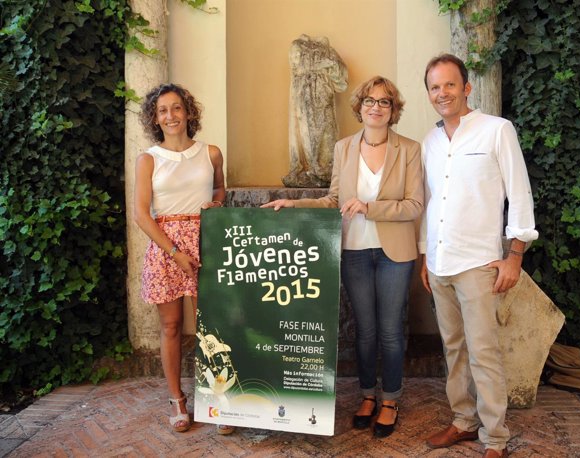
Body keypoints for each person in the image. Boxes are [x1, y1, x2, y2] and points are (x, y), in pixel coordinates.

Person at [262, 76, 424, 438]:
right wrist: (295, 203)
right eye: (369, 100)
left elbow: (414, 205)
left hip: (394, 252)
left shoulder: (410, 149)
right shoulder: (344, 148)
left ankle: (391, 399)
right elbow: (333, 200)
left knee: (390, 332)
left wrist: (370, 207)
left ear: (393, 110)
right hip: (352, 250)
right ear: (359, 107)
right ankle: (367, 395)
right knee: (365, 331)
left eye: (384, 102)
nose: (376, 107)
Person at [419, 54, 538, 458]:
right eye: (435, 87)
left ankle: (496, 436)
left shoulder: (497, 131)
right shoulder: (430, 142)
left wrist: (514, 254)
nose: (442, 93)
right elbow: (433, 202)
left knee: (483, 351)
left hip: (478, 263)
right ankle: (463, 422)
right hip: (439, 263)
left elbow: (518, 193)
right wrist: (424, 256)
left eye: (449, 85)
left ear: (466, 88)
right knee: (453, 348)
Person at [133, 83, 234, 435]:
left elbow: (220, 189)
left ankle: (219, 400)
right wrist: (175, 253)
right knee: (172, 326)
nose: (170, 116)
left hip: (206, 242)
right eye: (162, 110)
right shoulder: (148, 159)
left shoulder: (212, 153)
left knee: (211, 327)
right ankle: (177, 399)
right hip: (167, 248)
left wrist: (218, 203)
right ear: (155, 118)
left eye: (176, 108)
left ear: (188, 112)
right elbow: (142, 215)